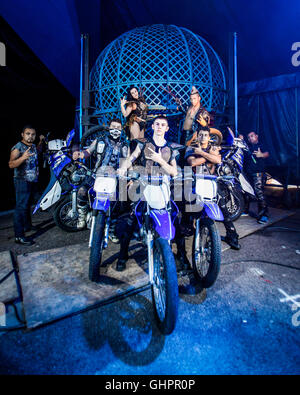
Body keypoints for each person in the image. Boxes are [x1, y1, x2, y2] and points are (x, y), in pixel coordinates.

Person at [116, 115, 189, 272]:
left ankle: (182, 255)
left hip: (163, 187)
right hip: (144, 185)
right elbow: (133, 157)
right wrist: (123, 167)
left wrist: (160, 160)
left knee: (176, 219)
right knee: (131, 218)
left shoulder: (171, 148)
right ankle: (122, 255)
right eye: (157, 124)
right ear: (153, 126)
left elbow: (174, 172)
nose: (160, 127)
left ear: (167, 128)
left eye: (163, 124)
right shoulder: (143, 144)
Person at [185, 126, 241, 250]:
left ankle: (232, 236)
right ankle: (186, 231)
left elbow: (218, 159)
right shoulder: (191, 148)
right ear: (197, 136)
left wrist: (202, 154)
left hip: (211, 182)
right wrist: (208, 155)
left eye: (205, 135)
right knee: (187, 207)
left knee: (224, 209)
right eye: (200, 135)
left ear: (209, 137)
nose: (203, 137)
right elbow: (192, 163)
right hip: (195, 181)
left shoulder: (213, 148)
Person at [72, 118, 129, 238]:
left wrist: (128, 174)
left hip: (114, 178)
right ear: (109, 128)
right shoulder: (100, 140)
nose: (116, 130)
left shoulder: (124, 145)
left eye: (118, 128)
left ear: (122, 130)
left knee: (116, 202)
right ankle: (82, 216)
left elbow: (127, 162)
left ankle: (112, 229)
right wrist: (80, 154)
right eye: (113, 127)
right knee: (82, 192)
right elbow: (87, 152)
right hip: (96, 175)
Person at [9, 125, 45, 245]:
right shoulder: (18, 148)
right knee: (21, 207)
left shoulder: (33, 146)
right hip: (22, 181)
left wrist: (40, 141)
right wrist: (23, 158)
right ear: (22, 135)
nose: (30, 136)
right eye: (28, 134)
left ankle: (27, 226)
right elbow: (11, 164)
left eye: (33, 134)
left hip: (32, 180)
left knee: (27, 204)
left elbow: (38, 150)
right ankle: (19, 236)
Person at [243, 131, 270, 224]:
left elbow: (267, 153)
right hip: (248, 173)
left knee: (259, 193)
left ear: (256, 136)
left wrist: (261, 154)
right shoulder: (248, 147)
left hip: (258, 173)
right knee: (247, 191)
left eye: (252, 136)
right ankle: (245, 210)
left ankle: (264, 215)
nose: (250, 138)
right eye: (248, 137)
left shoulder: (261, 145)